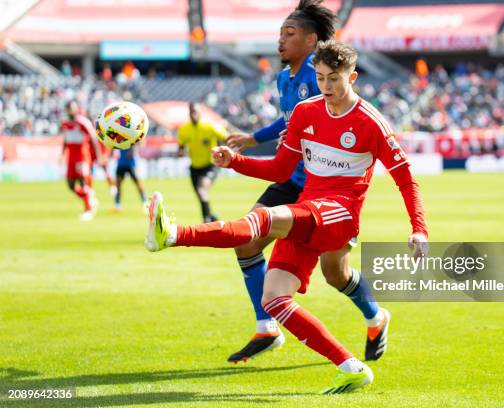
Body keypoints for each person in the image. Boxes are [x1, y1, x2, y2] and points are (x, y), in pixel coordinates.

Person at [145, 40, 428, 394]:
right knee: (274, 300)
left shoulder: (371, 122)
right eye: (322, 78)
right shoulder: (307, 112)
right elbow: (281, 168)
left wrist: (419, 230)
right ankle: (350, 366)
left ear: (352, 77)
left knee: (261, 222)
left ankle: (172, 233)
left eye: (335, 79)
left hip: (339, 213)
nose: (327, 87)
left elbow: (406, 178)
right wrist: (235, 162)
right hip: (308, 203)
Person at [225, 0, 388, 364]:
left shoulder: (322, 82)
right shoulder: (285, 79)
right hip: (291, 179)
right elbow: (289, 122)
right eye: (280, 32)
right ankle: (266, 327)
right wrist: (254, 138)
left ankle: (376, 316)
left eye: (289, 33)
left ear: (312, 41)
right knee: (246, 242)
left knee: (336, 273)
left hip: (325, 186)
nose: (280, 40)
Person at [177, 102, 227, 222]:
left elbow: (227, 137)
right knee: (201, 195)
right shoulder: (184, 129)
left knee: (202, 190)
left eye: (195, 111)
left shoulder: (210, 127)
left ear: (200, 112)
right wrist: (180, 153)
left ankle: (206, 221)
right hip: (194, 167)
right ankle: (211, 218)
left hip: (210, 165)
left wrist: (223, 150)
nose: (193, 114)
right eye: (191, 111)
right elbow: (180, 148)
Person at [60, 100, 101, 221]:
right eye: (68, 107)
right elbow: (66, 140)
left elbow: (94, 139)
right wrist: (62, 154)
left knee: (83, 182)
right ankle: (90, 198)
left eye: (71, 107)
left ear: (76, 109)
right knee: (71, 185)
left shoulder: (83, 122)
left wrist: (98, 156)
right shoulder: (65, 124)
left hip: (81, 156)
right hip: (71, 157)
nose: (69, 110)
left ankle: (88, 210)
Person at [113, 145, 147, 212]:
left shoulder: (132, 139)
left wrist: (133, 151)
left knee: (138, 183)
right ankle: (117, 205)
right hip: (121, 164)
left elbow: (137, 147)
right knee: (118, 185)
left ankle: (145, 203)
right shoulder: (120, 139)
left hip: (131, 164)